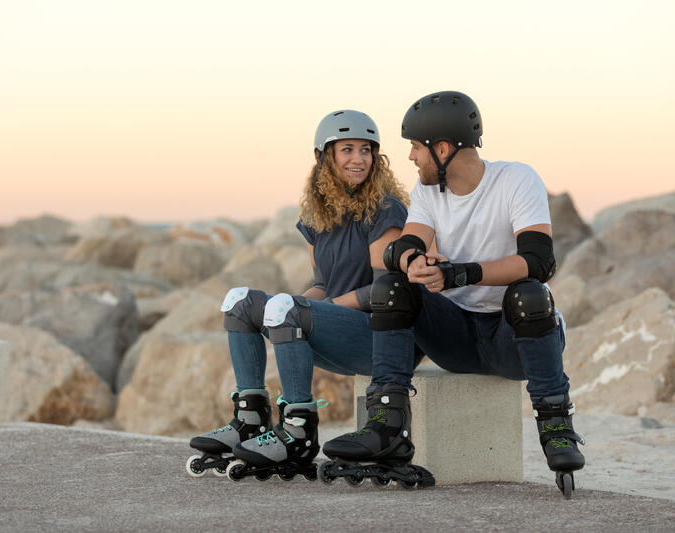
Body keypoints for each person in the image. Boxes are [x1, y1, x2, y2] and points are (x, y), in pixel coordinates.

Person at [322, 91, 585, 498]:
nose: (410, 157)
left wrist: (461, 274)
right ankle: (387, 426)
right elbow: (402, 246)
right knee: (392, 285)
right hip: (457, 339)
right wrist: (414, 261)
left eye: (414, 147)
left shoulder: (516, 179)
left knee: (529, 293)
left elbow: (538, 260)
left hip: (514, 340)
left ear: (441, 149)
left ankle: (556, 426)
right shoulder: (429, 190)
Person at [185, 109, 413, 481]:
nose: (359, 159)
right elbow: (322, 284)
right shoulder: (319, 216)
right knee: (240, 302)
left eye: (366, 151)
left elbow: (386, 292)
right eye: (347, 150)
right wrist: (286, 309)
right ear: (325, 157)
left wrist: (304, 310)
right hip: (339, 328)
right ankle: (251, 420)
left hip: (379, 336)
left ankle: (298, 430)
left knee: (285, 307)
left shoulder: (385, 209)